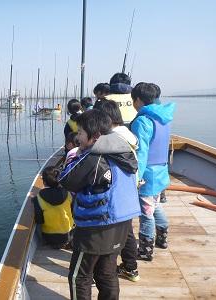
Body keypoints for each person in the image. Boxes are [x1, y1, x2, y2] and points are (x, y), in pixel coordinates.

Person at [59, 109, 141, 300]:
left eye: (80, 133)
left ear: (95, 136)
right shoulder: (124, 151)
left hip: (95, 229)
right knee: (107, 273)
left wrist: (79, 153)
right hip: (121, 223)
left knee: (79, 277)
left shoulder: (94, 158)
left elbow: (66, 180)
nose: (78, 138)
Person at [130, 82, 175, 261]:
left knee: (146, 212)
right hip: (161, 171)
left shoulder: (143, 121)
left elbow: (140, 153)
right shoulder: (163, 117)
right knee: (155, 206)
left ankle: (145, 250)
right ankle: (162, 238)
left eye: (133, 100)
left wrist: (136, 177)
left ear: (139, 100)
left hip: (147, 174)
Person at [97, 100, 140, 282]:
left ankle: (109, 271)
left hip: (117, 191)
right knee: (126, 230)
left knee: (116, 232)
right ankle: (130, 267)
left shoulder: (112, 139)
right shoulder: (128, 134)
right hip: (130, 188)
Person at [31, 166, 74, 249]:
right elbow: (73, 212)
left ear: (44, 182)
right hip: (69, 235)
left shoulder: (39, 198)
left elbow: (39, 220)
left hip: (49, 238)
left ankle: (44, 243)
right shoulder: (68, 194)